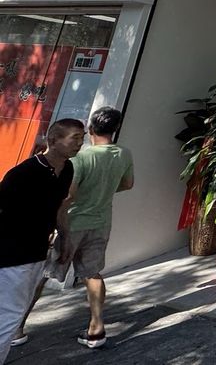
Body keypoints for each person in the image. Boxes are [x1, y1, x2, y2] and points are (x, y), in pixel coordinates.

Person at [19, 106, 134, 350]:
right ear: (115, 129)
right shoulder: (123, 154)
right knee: (92, 273)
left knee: (46, 274)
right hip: (101, 222)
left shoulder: (81, 158)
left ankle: (17, 327)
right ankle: (96, 327)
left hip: (72, 223)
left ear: (91, 129)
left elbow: (67, 195)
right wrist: (102, 192)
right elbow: (128, 184)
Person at [0, 118, 85, 361]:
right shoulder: (24, 173)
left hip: (37, 251)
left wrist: (66, 237)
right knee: (10, 314)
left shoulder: (67, 169)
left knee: (12, 312)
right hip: (11, 253)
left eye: (82, 138)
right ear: (53, 140)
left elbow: (59, 207)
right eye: (74, 138)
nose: (79, 144)